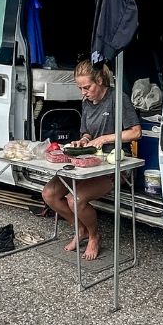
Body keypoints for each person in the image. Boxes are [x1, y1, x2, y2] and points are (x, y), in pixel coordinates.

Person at [41, 60, 141, 261]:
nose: (83, 93)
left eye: (87, 87)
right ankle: (81, 230)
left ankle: (95, 236)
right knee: (49, 194)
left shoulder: (117, 98)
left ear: (101, 80)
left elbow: (135, 132)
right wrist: (84, 140)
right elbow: (87, 132)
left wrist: (104, 138)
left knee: (75, 199)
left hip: (116, 165)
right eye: (80, 88)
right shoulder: (86, 103)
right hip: (89, 161)